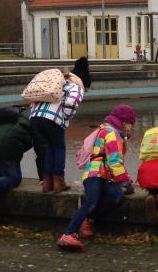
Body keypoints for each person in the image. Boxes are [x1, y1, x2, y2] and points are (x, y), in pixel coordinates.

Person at [57, 104, 136, 251]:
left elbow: (115, 162)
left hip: (106, 176)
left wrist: (125, 179)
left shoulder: (107, 130)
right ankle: (68, 234)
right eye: (131, 124)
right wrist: (125, 181)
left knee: (116, 196)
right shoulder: (112, 134)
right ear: (125, 122)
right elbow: (114, 162)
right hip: (94, 173)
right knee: (91, 201)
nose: (132, 127)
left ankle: (88, 219)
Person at [29, 56, 90, 193]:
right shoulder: (76, 86)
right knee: (59, 148)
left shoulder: (59, 82)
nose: (85, 92)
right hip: (52, 119)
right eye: (86, 89)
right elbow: (72, 102)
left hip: (35, 117)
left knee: (51, 147)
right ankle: (58, 182)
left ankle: (47, 183)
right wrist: (65, 117)